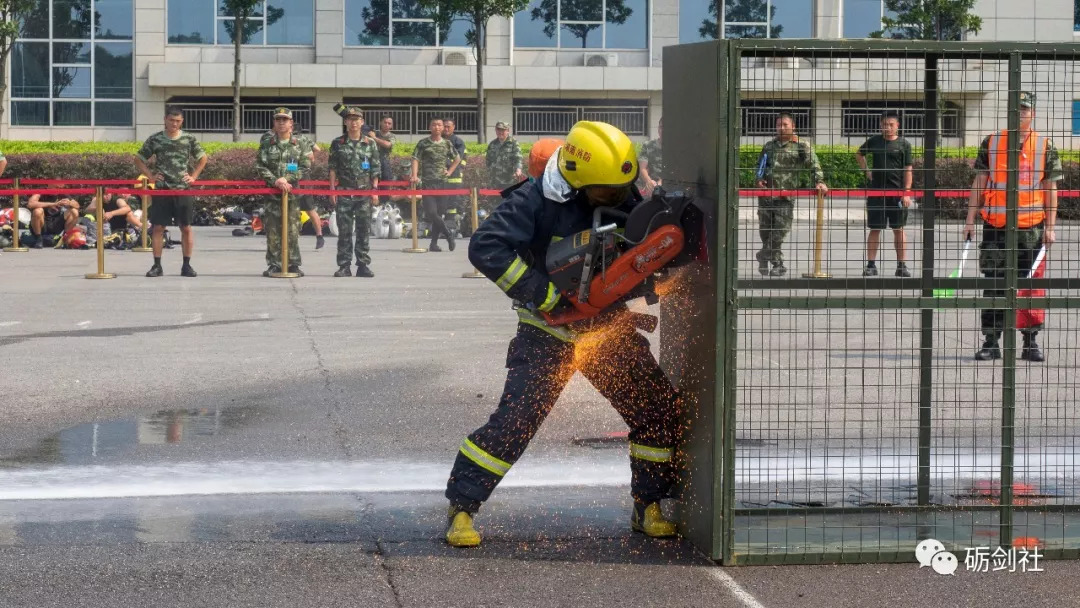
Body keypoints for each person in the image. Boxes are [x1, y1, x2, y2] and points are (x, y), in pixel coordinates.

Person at [443, 121, 681, 548]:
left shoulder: (618, 185)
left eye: (623, 187)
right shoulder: (535, 199)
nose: (620, 197)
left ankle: (649, 504)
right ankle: (461, 507)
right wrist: (544, 295)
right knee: (516, 422)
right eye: (608, 192)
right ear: (576, 180)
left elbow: (639, 240)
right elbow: (486, 247)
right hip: (547, 331)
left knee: (657, 409)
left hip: (605, 326)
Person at [965, 91, 1061, 362]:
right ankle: (991, 341)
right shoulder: (992, 142)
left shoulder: (1045, 145)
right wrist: (970, 219)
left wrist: (1050, 227)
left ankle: (1030, 342)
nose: (1019, 114)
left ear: (1033, 113)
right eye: (1015, 109)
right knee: (994, 283)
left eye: (1024, 109)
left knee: (1031, 285)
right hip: (996, 226)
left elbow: (1050, 188)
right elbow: (979, 183)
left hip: (1031, 229)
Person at [134, 106, 208, 278]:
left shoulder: (189, 138)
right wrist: (151, 176)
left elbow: (203, 157)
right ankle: (157, 265)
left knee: (186, 227)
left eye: (178, 121)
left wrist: (194, 176)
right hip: (162, 189)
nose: (174, 124)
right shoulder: (156, 139)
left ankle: (187, 265)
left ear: (182, 121)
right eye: (171, 120)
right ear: (165, 120)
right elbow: (138, 158)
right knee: (158, 227)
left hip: (183, 189)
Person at [754, 113, 828, 277]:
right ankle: (777, 264)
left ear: (793, 126)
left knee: (780, 230)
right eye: (779, 124)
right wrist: (758, 179)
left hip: (785, 198)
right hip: (766, 196)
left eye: (785, 124)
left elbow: (814, 164)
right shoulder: (769, 146)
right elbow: (760, 165)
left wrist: (819, 181)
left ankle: (763, 255)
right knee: (766, 232)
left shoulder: (801, 145)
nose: (781, 127)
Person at [855, 112, 914, 277]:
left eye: (890, 124)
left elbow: (908, 169)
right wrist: (867, 171)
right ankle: (871, 265)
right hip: (876, 193)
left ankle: (901, 266)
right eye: (884, 124)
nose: (886, 127)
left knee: (899, 229)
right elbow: (859, 154)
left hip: (897, 194)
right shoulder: (875, 141)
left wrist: (907, 192)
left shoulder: (904, 145)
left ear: (897, 126)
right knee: (875, 228)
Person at [256, 107, 311, 277]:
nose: (281, 123)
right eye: (278, 120)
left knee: (293, 230)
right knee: (272, 230)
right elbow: (259, 166)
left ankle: (293, 264)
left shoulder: (300, 144)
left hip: (292, 195)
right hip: (273, 194)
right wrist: (276, 180)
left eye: (285, 120)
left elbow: (305, 166)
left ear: (291, 123)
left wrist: (287, 179)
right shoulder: (267, 144)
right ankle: (274, 264)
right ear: (274, 123)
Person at [328, 106, 380, 278]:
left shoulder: (370, 143)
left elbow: (375, 168)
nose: (353, 122)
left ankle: (363, 265)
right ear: (345, 122)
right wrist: (332, 190)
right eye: (350, 119)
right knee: (344, 231)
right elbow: (333, 168)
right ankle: (344, 266)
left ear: (362, 122)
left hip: (364, 192)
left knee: (364, 229)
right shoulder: (337, 143)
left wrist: (374, 191)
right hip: (344, 191)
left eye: (357, 119)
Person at [262, 129, 324, 249]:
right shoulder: (275, 139)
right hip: (286, 179)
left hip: (301, 178)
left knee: (308, 207)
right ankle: (288, 240)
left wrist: (308, 160)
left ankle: (319, 236)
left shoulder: (301, 139)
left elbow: (316, 150)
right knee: (288, 209)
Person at [410, 117, 461, 252]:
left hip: (442, 183)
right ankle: (448, 234)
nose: (437, 127)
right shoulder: (423, 143)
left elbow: (457, 158)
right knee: (432, 212)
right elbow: (415, 158)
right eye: (434, 125)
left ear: (443, 128)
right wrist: (414, 175)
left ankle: (434, 244)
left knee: (440, 213)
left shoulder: (447, 143)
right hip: (427, 183)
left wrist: (449, 171)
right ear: (430, 127)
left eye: (439, 125)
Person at [443, 118, 468, 237]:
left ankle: (453, 226)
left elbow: (460, 157)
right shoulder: (438, 140)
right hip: (440, 177)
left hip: (454, 178)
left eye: (449, 126)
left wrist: (447, 165)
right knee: (442, 202)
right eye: (445, 126)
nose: (446, 129)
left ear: (454, 127)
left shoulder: (458, 141)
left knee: (454, 202)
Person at [485, 121, 524, 192]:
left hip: (509, 181)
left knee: (508, 201)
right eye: (498, 130)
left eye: (503, 130)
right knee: (495, 202)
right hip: (495, 181)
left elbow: (518, 158)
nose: (500, 132)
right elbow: (488, 160)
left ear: (508, 131)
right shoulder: (492, 144)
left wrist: (518, 169)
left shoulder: (513, 143)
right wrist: (490, 172)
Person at [373, 115, 396, 205]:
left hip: (385, 163)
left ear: (391, 126)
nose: (387, 125)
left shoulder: (392, 136)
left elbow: (387, 145)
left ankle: (384, 205)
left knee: (385, 186)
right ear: (380, 123)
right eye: (385, 122)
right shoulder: (374, 132)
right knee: (372, 185)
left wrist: (374, 138)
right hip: (373, 162)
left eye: (389, 123)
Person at [638, 117, 663, 196]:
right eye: (661, 127)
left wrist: (661, 182)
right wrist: (649, 181)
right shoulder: (648, 145)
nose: (663, 130)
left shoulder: (676, 148)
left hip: (668, 185)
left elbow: (676, 170)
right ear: (658, 128)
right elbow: (642, 168)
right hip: (650, 184)